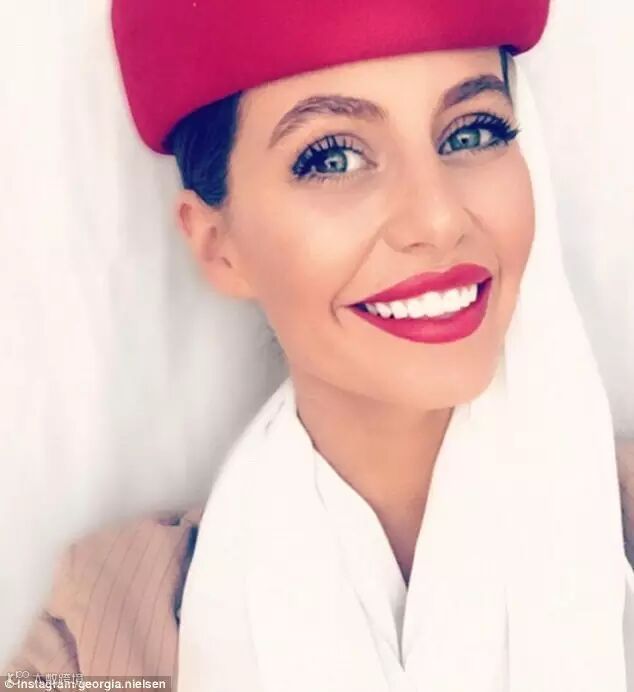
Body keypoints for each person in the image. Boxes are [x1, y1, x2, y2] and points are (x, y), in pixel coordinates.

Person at [4, 0, 634, 689]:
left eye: (472, 132)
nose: (438, 218)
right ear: (218, 246)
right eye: (333, 156)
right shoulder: (108, 630)